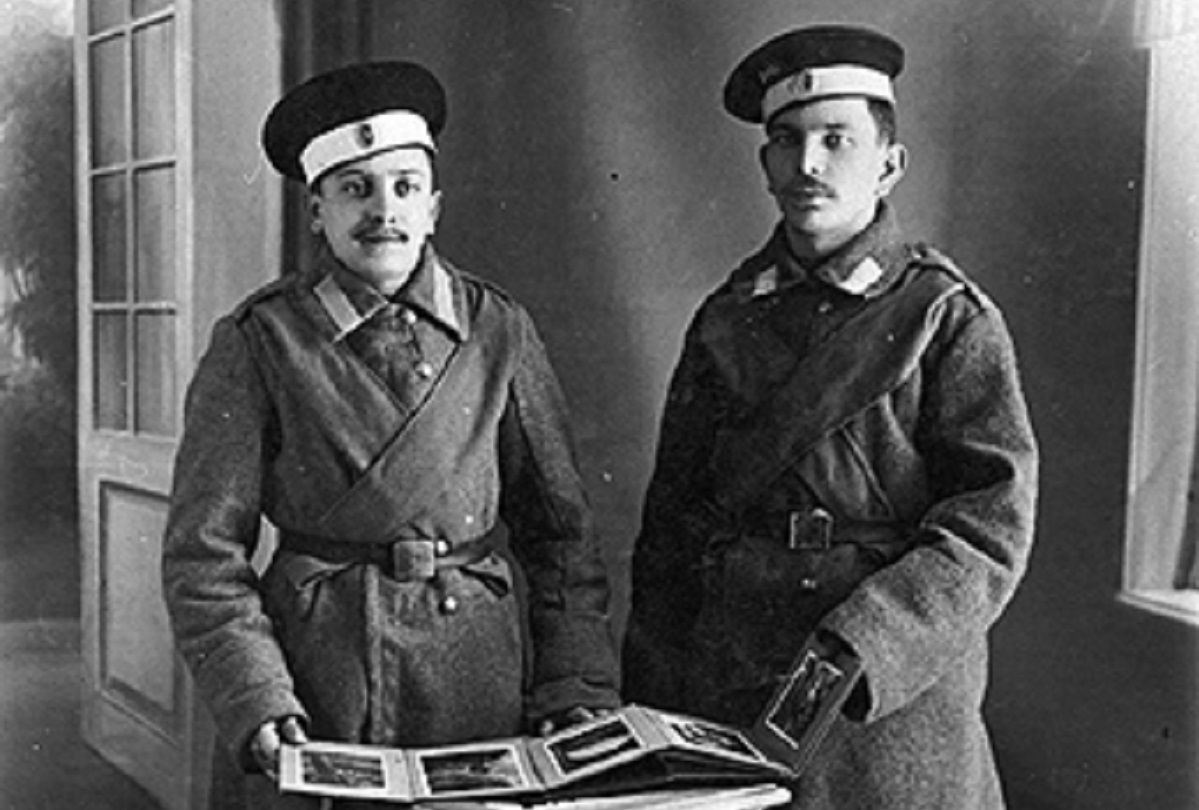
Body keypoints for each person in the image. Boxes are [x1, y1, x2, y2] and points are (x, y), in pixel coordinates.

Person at [161, 61, 620, 809]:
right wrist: (258, 697)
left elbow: (563, 535)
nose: (383, 210)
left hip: (475, 685)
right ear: (316, 211)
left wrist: (573, 684)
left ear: (433, 206)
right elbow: (200, 553)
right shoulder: (260, 341)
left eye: (405, 186)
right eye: (354, 188)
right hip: (317, 683)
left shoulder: (498, 329)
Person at [621, 25, 1038, 809]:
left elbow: (989, 531)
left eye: (836, 140)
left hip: (883, 701)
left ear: (888, 164)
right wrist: (652, 701)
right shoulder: (725, 319)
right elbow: (670, 530)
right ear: (765, 163)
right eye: (787, 141)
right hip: (734, 686)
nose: (808, 165)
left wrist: (866, 641)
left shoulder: (946, 318)